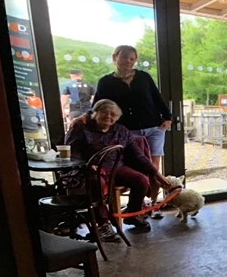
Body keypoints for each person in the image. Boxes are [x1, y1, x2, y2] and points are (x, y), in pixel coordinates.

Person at [65, 99, 171, 240]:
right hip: (89, 169)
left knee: (141, 180)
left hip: (116, 167)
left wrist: (157, 175)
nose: (109, 116)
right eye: (104, 112)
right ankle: (103, 224)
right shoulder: (80, 128)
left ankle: (133, 215)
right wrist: (88, 165)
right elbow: (72, 153)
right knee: (97, 183)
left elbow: (138, 155)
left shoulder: (121, 130)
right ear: (95, 113)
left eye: (113, 114)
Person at [94, 45, 172, 220]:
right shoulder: (105, 82)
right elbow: (98, 104)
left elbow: (156, 97)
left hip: (154, 127)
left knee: (154, 168)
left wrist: (167, 116)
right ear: (115, 58)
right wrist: (85, 119)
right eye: (124, 57)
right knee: (138, 166)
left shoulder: (143, 77)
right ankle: (137, 206)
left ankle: (152, 205)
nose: (128, 61)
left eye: (132, 58)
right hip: (127, 131)